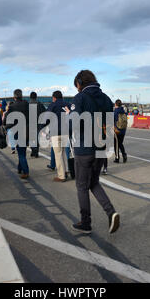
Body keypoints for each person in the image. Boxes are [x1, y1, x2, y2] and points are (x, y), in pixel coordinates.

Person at [65, 70, 120, 234]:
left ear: (80, 83)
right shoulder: (106, 98)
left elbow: (74, 124)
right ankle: (111, 212)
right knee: (93, 182)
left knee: (81, 186)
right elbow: (110, 123)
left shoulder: (80, 98)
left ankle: (86, 222)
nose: (77, 90)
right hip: (101, 146)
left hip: (84, 148)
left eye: (77, 86)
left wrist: (69, 118)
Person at [4, 89, 30, 179]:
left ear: (14, 97)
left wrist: (6, 127)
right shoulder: (27, 104)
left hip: (17, 131)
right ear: (22, 96)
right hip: (27, 130)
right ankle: (20, 167)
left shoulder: (12, 106)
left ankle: (25, 171)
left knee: (21, 153)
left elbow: (6, 119)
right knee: (22, 150)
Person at [47, 90, 71, 182]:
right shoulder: (67, 105)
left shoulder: (52, 105)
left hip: (55, 133)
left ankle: (61, 176)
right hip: (65, 132)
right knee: (64, 152)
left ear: (54, 97)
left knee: (58, 154)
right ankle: (66, 171)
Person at [29, 91, 46, 158]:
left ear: (30, 97)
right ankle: (36, 152)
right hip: (39, 124)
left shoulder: (28, 104)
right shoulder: (40, 104)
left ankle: (33, 151)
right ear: (36, 97)